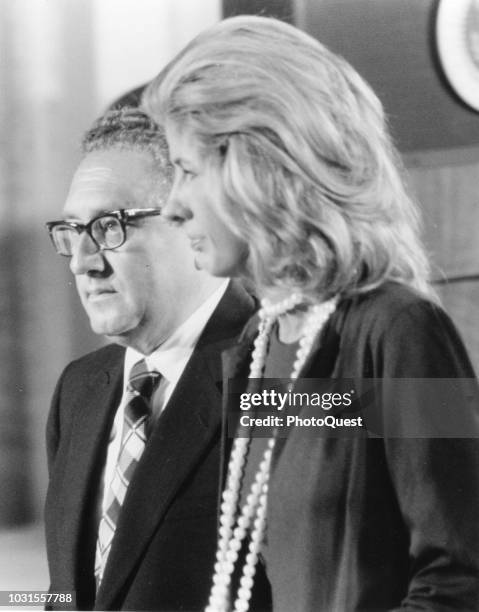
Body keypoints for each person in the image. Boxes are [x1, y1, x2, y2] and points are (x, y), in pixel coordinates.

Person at [143, 15, 479, 612]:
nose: (172, 206)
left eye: (187, 171)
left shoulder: (401, 333)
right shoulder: (259, 345)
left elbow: (462, 576)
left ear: (260, 167)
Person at [43, 108, 259, 611]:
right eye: (73, 231)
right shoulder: (79, 389)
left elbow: (438, 434)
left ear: (188, 217)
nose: (83, 261)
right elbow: (66, 594)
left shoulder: (279, 368)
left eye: (110, 226)